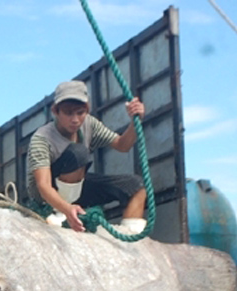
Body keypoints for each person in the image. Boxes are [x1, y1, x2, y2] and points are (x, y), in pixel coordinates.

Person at [27, 80, 147, 233]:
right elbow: (43, 185)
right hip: (47, 197)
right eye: (68, 113)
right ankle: (58, 214)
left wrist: (135, 121)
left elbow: (122, 145)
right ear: (55, 111)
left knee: (136, 186)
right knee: (79, 153)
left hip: (78, 188)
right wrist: (66, 208)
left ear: (87, 110)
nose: (75, 119)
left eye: (80, 112)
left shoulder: (89, 124)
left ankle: (130, 237)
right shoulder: (42, 138)